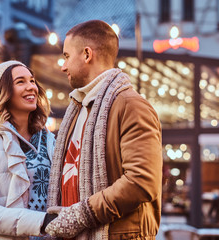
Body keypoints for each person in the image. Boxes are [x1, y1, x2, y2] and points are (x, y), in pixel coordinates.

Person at [45, 20, 163, 239]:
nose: (63, 66)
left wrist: (82, 214)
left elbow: (141, 181)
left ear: (87, 54)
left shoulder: (130, 105)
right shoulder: (78, 109)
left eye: (66, 56)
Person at [0, 60, 57, 240]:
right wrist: (42, 221)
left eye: (32, 81)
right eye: (20, 82)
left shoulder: (50, 141)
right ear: (2, 92)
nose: (31, 87)